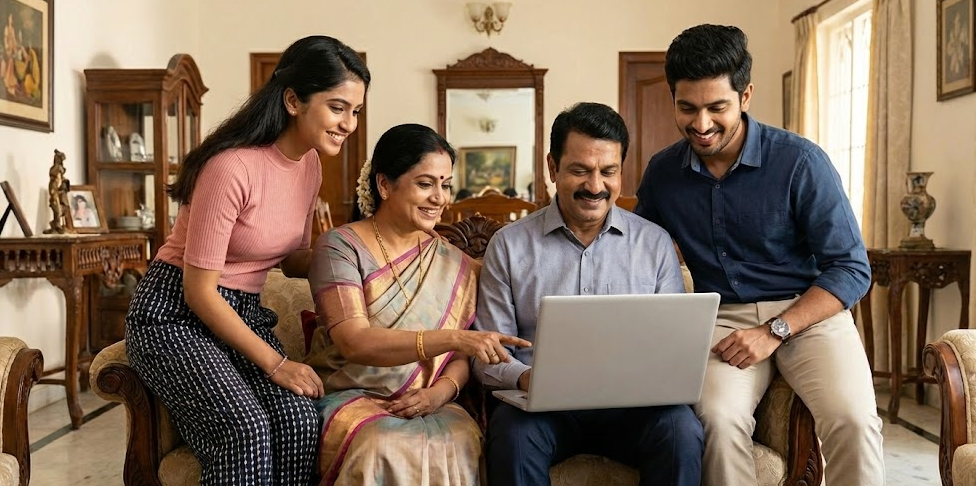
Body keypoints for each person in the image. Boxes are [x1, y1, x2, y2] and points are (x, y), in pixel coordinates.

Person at [634, 24, 884, 485]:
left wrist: (775, 330)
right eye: (687, 108)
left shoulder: (802, 162)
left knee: (853, 419)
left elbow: (851, 269)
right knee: (716, 420)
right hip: (720, 318)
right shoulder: (663, 173)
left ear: (746, 95)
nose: (702, 124)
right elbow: (637, 250)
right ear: (672, 98)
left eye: (717, 107)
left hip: (808, 312)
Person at [124, 35, 370, 486]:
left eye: (355, 111)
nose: (349, 123)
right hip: (174, 313)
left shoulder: (311, 165)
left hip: (242, 311)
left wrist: (355, 255)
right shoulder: (230, 167)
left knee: (299, 419)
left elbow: (291, 258)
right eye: (338, 108)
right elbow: (200, 291)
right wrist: (277, 364)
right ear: (293, 100)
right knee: (245, 430)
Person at [474, 102, 703, 486]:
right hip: (541, 410)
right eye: (580, 170)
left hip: (634, 409)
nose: (595, 186)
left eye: (608, 171)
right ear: (553, 167)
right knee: (511, 436)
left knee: (681, 429)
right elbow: (488, 355)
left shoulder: (654, 243)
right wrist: (530, 378)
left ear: (621, 170)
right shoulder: (509, 246)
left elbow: (674, 349)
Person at [305, 123, 531, 486]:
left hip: (429, 402)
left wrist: (438, 394)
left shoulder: (454, 263)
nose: (439, 197)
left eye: (445, 184)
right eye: (425, 184)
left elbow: (458, 359)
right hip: (353, 395)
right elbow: (353, 341)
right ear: (384, 185)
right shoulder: (339, 247)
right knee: (380, 443)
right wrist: (453, 338)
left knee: (458, 439)